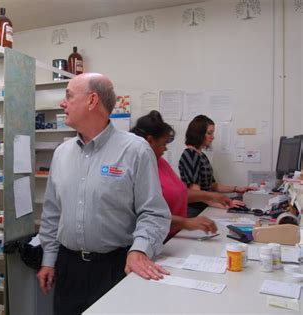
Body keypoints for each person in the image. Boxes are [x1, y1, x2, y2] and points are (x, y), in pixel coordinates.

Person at [37, 73, 171, 315]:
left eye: (68, 96)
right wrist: (49, 259)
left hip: (115, 269)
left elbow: (154, 213)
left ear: (92, 101)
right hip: (68, 270)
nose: (62, 103)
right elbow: (52, 212)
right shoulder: (62, 153)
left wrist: (140, 250)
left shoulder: (135, 150)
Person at [130, 111, 233, 239]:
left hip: (173, 234)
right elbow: (146, 214)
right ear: (150, 141)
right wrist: (187, 222)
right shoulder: (135, 167)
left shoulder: (160, 162)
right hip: (152, 238)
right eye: (164, 144)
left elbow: (180, 192)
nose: (166, 149)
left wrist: (213, 196)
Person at [179, 115, 255, 217]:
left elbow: (213, 185)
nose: (213, 137)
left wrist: (237, 188)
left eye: (212, 133)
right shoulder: (190, 155)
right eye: (209, 133)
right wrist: (224, 204)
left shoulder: (201, 155)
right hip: (195, 211)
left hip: (204, 206)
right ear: (199, 134)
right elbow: (196, 193)